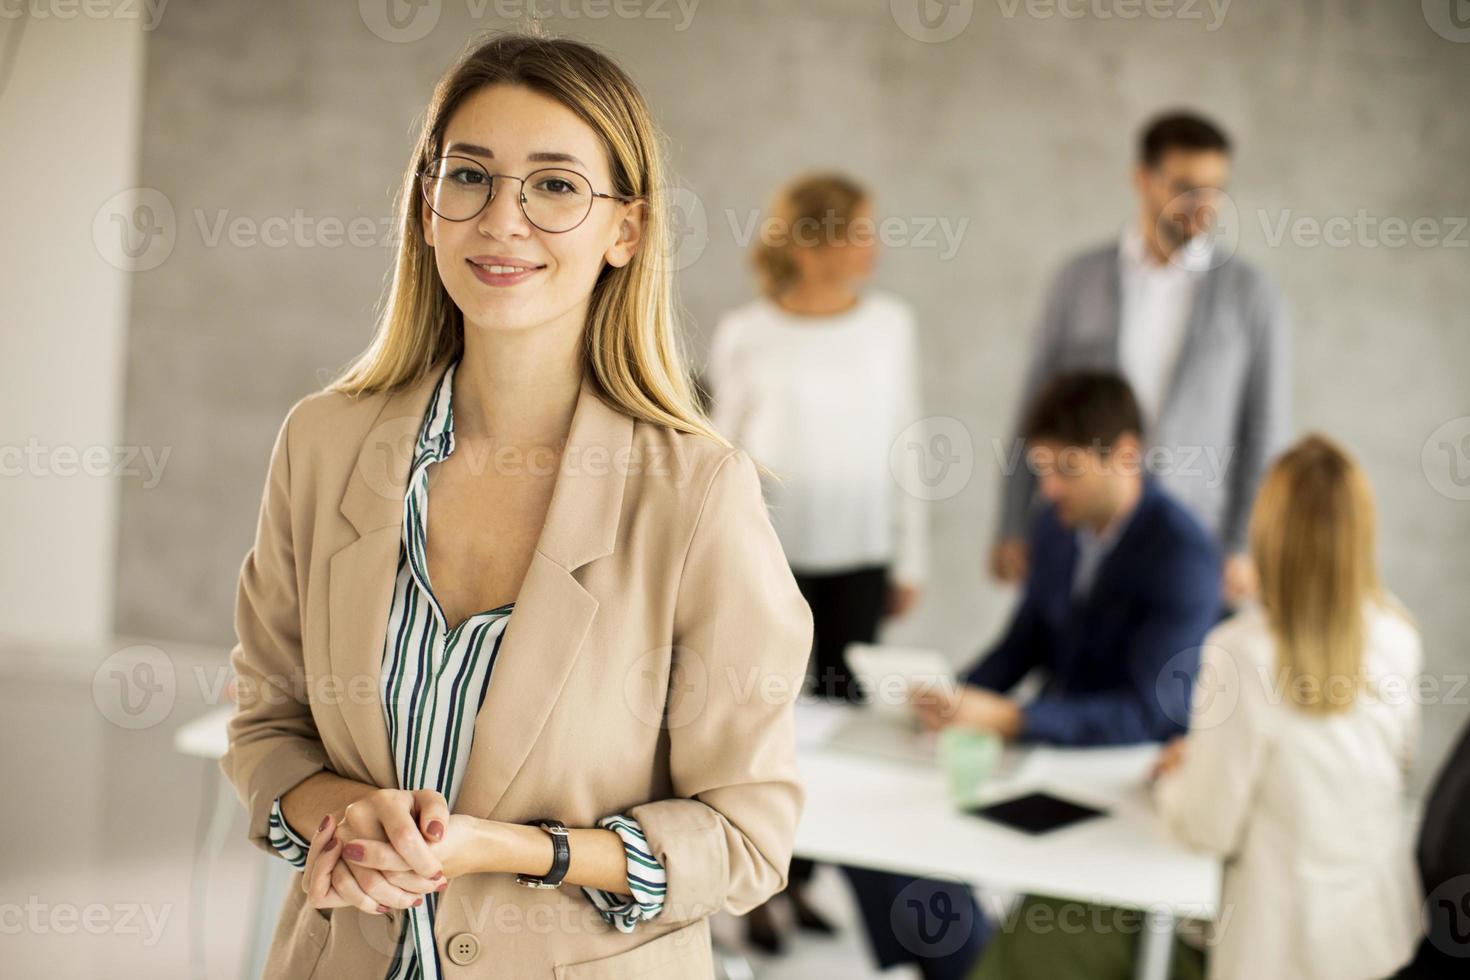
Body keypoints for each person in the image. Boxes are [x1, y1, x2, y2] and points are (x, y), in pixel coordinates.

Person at [218, 34, 814, 980]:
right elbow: (265, 730)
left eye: (554, 185)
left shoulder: (698, 493)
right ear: (427, 208)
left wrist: (509, 849)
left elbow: (745, 837)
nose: (503, 219)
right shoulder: (323, 445)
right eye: (470, 177)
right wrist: (338, 811)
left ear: (626, 228)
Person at [704, 173, 931, 956]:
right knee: (758, 720)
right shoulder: (746, 332)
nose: (875, 246)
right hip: (767, 555)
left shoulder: (890, 325)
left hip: (859, 555)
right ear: (819, 241)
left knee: (836, 722)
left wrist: (912, 551)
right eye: (861, 231)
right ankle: (749, 890)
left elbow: (909, 439)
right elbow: (722, 455)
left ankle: (795, 884)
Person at [990, 111, 1290, 610]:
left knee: (1175, 680)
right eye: (1186, 186)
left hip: (1197, 537)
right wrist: (1013, 524)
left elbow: (1266, 427)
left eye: (1216, 189)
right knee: (1071, 669)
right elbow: (1036, 404)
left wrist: (1244, 545)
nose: (1203, 206)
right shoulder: (1077, 280)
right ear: (1142, 178)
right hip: (1079, 525)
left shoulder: (1250, 293)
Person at [1152, 435, 1423, 980]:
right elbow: (1398, 764)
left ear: (1268, 536)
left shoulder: (1240, 652)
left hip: (1275, 951)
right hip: (1380, 937)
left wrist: (1173, 778)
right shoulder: (1399, 631)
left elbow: (1208, 827)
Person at [919, 370, 1222, 746]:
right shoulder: (1054, 525)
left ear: (1126, 455)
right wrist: (953, 697)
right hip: (1053, 745)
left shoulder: (1182, 554)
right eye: (1041, 469)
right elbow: (1024, 644)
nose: (1049, 489)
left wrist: (1013, 718)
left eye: (1067, 469)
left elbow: (1150, 713)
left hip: (1127, 761)